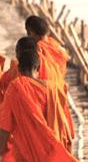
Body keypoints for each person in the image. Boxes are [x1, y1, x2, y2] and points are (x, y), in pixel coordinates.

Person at [23, 16, 75, 150]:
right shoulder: (57, 48)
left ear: (30, 32)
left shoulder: (37, 51)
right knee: (59, 138)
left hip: (43, 100)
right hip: (58, 96)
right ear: (47, 32)